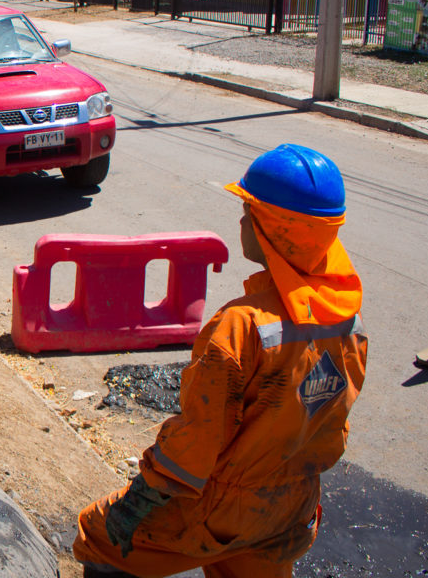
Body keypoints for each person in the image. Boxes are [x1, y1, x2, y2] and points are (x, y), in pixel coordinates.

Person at [72, 144, 368, 578]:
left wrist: (142, 498)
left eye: (249, 210)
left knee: (97, 535)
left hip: (222, 508)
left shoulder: (240, 326)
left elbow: (198, 440)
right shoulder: (348, 321)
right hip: (291, 506)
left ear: (272, 228)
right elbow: (331, 427)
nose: (242, 220)